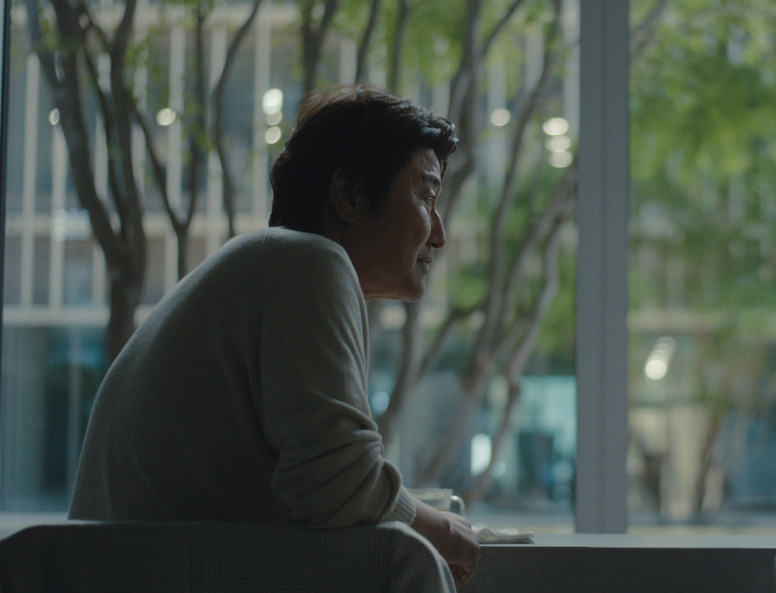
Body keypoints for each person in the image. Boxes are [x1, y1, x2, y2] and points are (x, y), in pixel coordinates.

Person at [69, 85, 479, 586]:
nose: (438, 232)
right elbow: (338, 484)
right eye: (426, 195)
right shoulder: (309, 264)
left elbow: (328, 480)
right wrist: (439, 528)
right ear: (349, 195)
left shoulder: (274, 264)